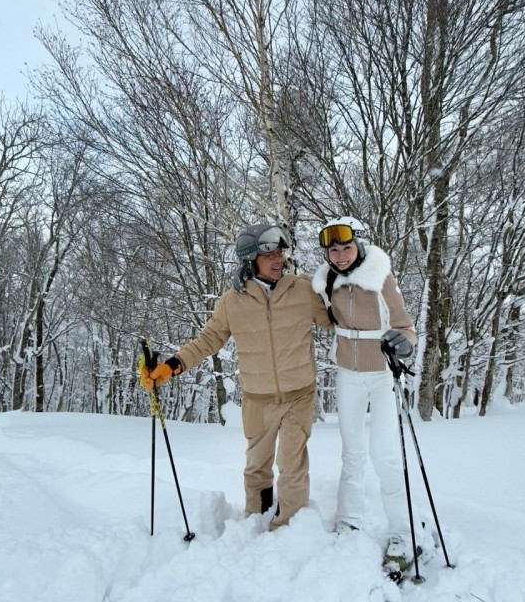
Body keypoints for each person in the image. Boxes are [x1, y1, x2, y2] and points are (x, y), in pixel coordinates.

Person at [140, 222, 331, 530]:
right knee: (257, 468)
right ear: (250, 259)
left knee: (292, 466)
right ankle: (254, 522)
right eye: (268, 254)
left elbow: (335, 321)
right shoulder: (232, 301)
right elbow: (207, 340)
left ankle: (288, 530)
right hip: (257, 399)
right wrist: (171, 366)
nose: (278, 259)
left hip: (299, 396)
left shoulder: (302, 289)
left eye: (280, 252)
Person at [312, 215, 417, 576]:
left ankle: (402, 533)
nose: (340, 256)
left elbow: (406, 326)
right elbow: (320, 315)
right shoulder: (327, 280)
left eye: (346, 248)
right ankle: (348, 522)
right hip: (348, 373)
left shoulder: (380, 276)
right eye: (333, 250)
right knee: (352, 452)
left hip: (382, 373)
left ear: (359, 245)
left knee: (384, 454)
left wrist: (404, 343)